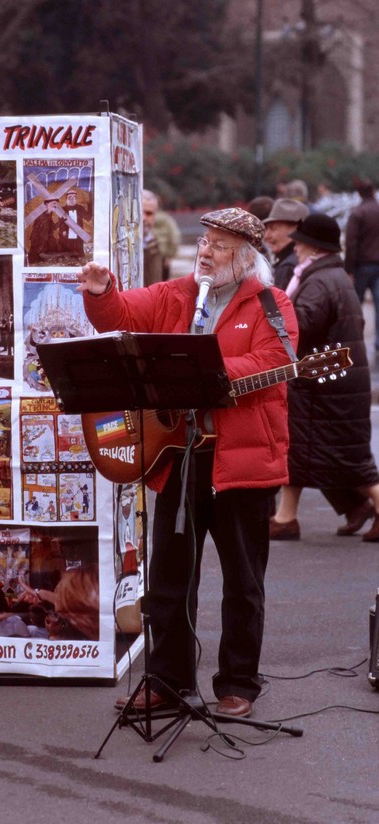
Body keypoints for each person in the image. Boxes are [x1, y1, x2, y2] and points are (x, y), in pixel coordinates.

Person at [79, 207, 297, 718]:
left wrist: (200, 369)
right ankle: (168, 680)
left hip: (241, 463)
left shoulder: (271, 301)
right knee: (170, 580)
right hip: (181, 457)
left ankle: (238, 682)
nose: (204, 251)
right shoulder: (178, 294)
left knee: (243, 581)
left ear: (244, 258)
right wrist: (99, 292)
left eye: (218, 246)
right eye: (204, 241)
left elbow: (276, 360)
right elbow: (122, 316)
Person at [269, 213, 379, 543]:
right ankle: (286, 518)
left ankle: (288, 517)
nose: (296, 246)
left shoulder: (318, 280)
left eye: (301, 241)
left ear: (312, 247)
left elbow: (300, 325)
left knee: (350, 460)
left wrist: (269, 309)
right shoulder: (331, 274)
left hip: (327, 385)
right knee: (301, 450)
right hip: (332, 382)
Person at [344, 179, 379, 360]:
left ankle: (354, 341)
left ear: (359, 193)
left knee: (354, 307)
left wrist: (348, 269)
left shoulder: (357, 213)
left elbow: (351, 243)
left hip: (361, 266)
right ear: (373, 191)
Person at [262, 197, 309, 291]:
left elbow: (277, 305)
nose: (266, 236)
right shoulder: (308, 260)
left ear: (296, 230)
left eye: (273, 228)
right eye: (266, 228)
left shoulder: (288, 267)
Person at [141, 189, 181, 285]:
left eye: (149, 213)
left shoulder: (154, 245)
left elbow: (174, 237)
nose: (143, 218)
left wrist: (168, 256)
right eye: (140, 211)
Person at [58, 187, 92, 259]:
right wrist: (63, 230)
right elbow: (61, 221)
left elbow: (88, 218)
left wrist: (89, 205)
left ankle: (78, 257)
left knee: (77, 245)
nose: (72, 198)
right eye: (70, 197)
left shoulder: (80, 208)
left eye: (74, 197)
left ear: (76, 198)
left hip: (78, 232)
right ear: (66, 198)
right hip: (67, 231)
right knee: (67, 246)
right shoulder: (63, 209)